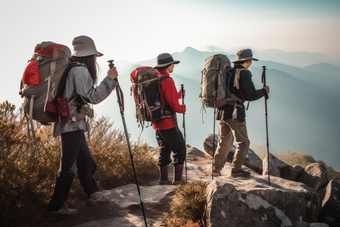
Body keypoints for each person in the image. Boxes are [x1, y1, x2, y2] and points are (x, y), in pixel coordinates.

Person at [47, 35, 118, 219]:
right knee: (68, 168)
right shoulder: (80, 71)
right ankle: (55, 208)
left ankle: (93, 193)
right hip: (71, 125)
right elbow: (92, 97)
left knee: (86, 161)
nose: (96, 59)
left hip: (74, 124)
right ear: (88, 55)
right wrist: (109, 80)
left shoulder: (73, 68)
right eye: (94, 56)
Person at [213, 49, 270, 177]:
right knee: (243, 143)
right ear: (248, 61)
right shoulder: (244, 74)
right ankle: (236, 169)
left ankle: (216, 169)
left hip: (222, 111)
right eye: (251, 60)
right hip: (235, 113)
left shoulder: (228, 71)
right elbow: (250, 95)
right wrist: (264, 91)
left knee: (224, 141)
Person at [153, 53, 187, 185]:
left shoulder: (157, 78)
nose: (174, 66)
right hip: (168, 123)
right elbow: (173, 105)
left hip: (157, 123)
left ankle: (163, 180)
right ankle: (178, 180)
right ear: (168, 66)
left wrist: (178, 94)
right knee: (180, 149)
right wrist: (182, 108)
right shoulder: (167, 80)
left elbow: (162, 99)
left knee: (164, 148)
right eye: (173, 64)